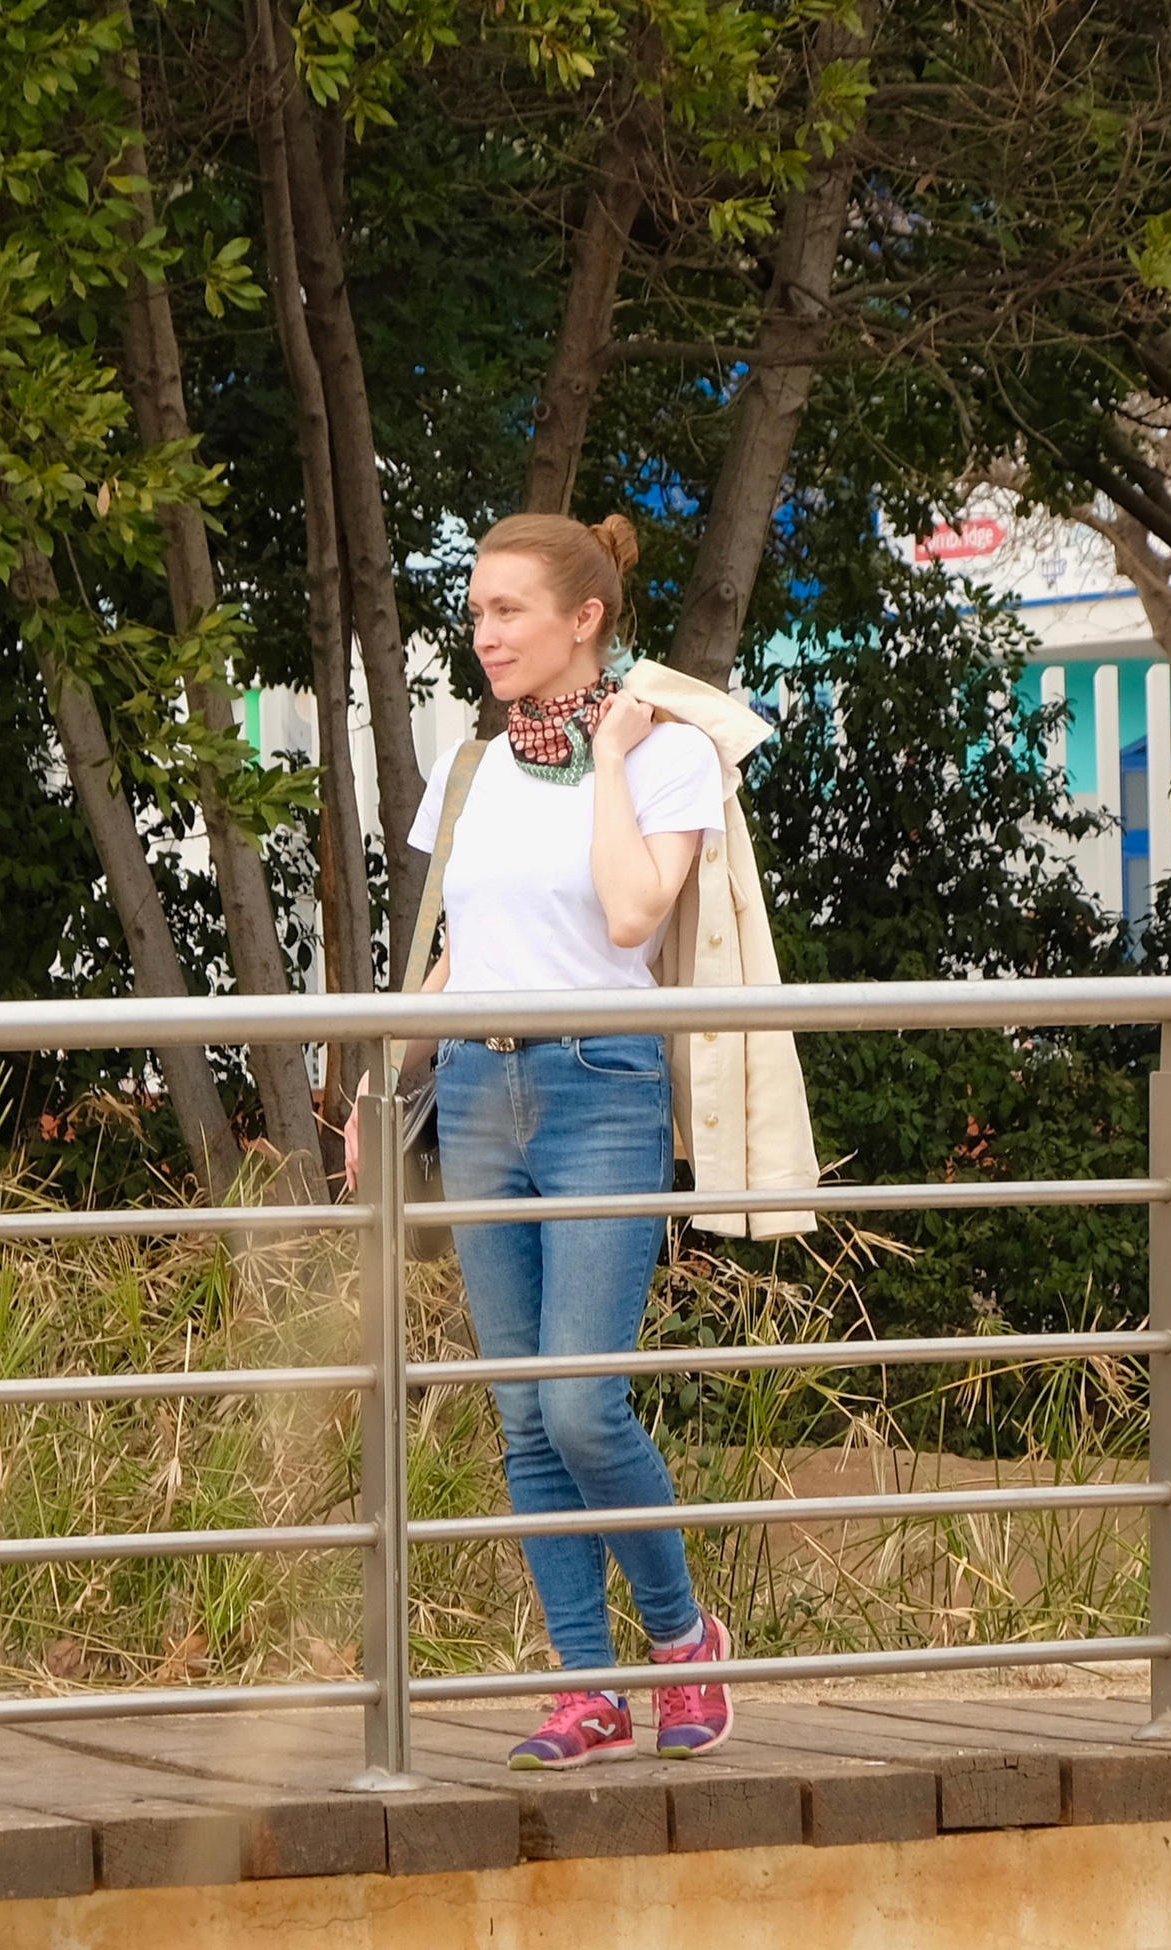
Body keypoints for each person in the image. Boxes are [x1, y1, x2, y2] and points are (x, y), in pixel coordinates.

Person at [393, 511, 735, 1770]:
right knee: (522, 1421)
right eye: (477, 612)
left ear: (584, 619)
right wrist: (389, 1087)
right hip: (481, 1093)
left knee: (581, 1403)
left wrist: (606, 762)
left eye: (508, 612)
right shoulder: (466, 770)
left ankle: (681, 1639)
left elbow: (634, 913)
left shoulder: (670, 760)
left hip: (601, 1088)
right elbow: (454, 953)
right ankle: (583, 1689)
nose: (484, 635)